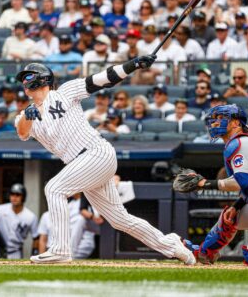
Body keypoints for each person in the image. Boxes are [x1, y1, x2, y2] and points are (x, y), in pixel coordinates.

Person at [15, 55, 195, 264]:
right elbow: (22, 132)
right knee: (120, 219)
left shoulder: (64, 92)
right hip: (82, 164)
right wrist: (28, 116)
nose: (25, 82)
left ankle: (60, 250)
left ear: (42, 79)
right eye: (24, 79)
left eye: (28, 77)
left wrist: (133, 65)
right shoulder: (26, 114)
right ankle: (173, 246)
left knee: (54, 188)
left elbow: (102, 79)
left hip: (96, 152)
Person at [183, 104, 248, 266]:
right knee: (231, 217)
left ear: (236, 123)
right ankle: (205, 251)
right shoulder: (237, 143)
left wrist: (205, 183)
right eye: (214, 120)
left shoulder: (242, 143)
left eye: (222, 119)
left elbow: (240, 182)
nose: (215, 123)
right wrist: (237, 205)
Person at [0, 183, 39, 259]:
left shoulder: (30, 216)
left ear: (23, 197)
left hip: (15, 252)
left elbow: (36, 237)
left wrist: (34, 253)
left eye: (17, 195)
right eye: (12, 194)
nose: (14, 197)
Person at [38, 193, 95, 258]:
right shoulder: (70, 204)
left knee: (80, 220)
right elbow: (43, 239)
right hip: (61, 246)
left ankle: (69, 254)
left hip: (81, 242)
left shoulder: (83, 203)